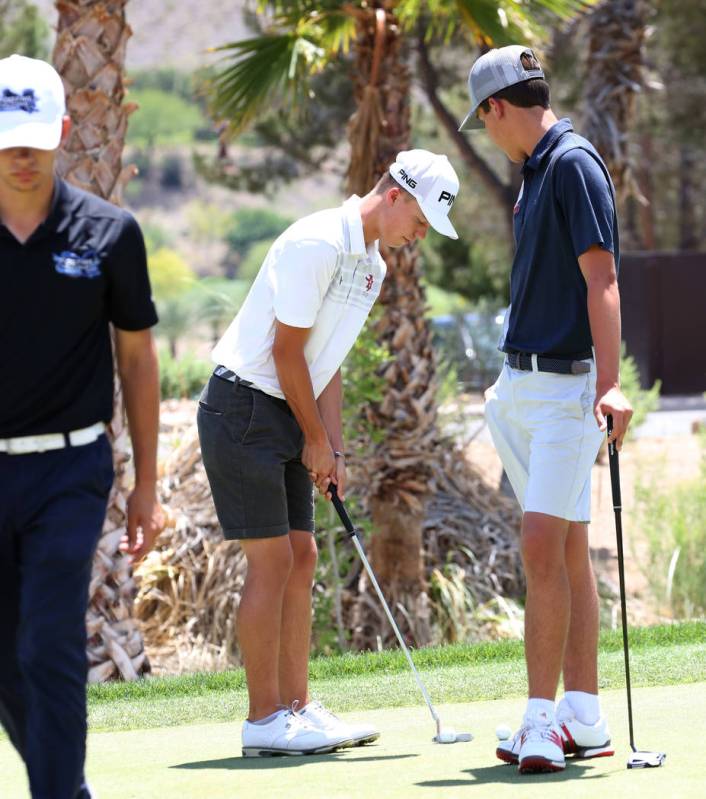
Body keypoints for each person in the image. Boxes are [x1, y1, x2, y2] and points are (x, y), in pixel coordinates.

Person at [198, 149, 460, 757]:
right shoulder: (315, 242)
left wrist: (332, 447)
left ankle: (297, 709)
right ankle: (263, 720)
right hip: (243, 410)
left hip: (290, 411)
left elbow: (327, 360)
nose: (420, 236)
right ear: (395, 194)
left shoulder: (373, 267)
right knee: (271, 563)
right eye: (421, 220)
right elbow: (287, 353)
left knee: (303, 555)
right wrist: (314, 439)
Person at [458, 45, 633, 774]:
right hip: (525, 387)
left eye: (483, 120)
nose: (487, 134)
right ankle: (584, 714)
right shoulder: (538, 170)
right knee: (564, 551)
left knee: (540, 545)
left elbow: (603, 279)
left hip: (565, 389)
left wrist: (609, 383)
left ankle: (538, 721)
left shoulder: (572, 163)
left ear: (498, 107)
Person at [0, 55, 163, 798]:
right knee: (6, 654)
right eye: (7, 140)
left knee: (49, 641)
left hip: (71, 469)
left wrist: (148, 487)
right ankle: (66, 786)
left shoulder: (110, 233)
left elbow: (137, 359)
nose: (21, 155)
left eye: (34, 138)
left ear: (63, 132)